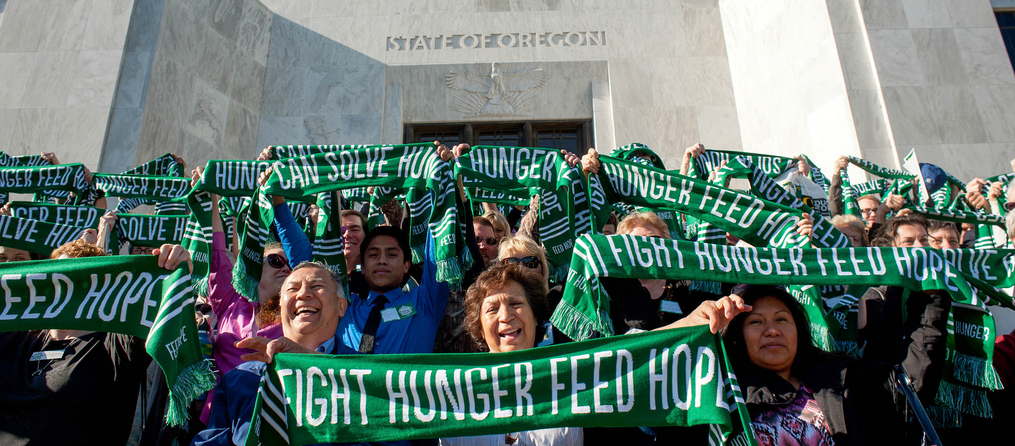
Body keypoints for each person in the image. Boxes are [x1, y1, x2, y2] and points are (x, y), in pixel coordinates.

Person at [443, 265, 747, 445]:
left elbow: (635, 351)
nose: (506, 316)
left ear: (537, 318)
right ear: (479, 328)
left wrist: (694, 320)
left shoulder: (573, 370)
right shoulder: (450, 390)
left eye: (516, 304)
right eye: (492, 309)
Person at [0, 241, 191, 446]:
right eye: (59, 278)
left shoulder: (116, 345)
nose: (65, 288)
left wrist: (175, 266)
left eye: (78, 280)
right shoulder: (16, 337)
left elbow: (158, 306)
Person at [725, 285, 948, 445]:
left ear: (799, 332)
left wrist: (930, 299)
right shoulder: (724, 393)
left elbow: (910, 384)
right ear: (737, 338)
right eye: (756, 322)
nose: (772, 330)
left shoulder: (840, 377)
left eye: (782, 319)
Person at [192, 261, 363, 446]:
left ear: (341, 306)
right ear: (280, 308)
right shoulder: (241, 378)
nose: (303, 293)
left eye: (317, 286)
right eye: (292, 288)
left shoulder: (368, 374)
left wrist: (307, 362)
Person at [336, 225, 450, 354]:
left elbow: (437, 246)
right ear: (362, 266)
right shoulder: (343, 308)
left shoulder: (424, 303)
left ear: (406, 266)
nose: (382, 261)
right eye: (373, 255)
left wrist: (437, 207)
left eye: (391, 254)